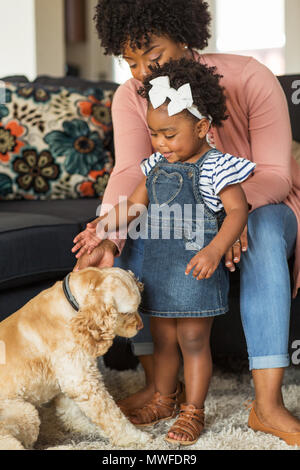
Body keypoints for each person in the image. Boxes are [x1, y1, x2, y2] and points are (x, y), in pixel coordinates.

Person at [73, 0, 300, 446]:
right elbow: (131, 175)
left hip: (261, 201)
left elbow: (276, 174)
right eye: (130, 61)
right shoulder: (131, 95)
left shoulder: (250, 77)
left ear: (184, 36)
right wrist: (108, 233)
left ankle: (267, 405)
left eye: (152, 57)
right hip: (182, 210)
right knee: (140, 227)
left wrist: (220, 218)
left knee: (263, 230)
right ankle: (162, 387)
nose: (140, 72)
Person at [73, 58, 256, 444]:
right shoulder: (156, 164)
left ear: (203, 128)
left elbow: (239, 211)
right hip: (158, 271)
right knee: (163, 340)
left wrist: (216, 249)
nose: (161, 143)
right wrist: (104, 224)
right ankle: (163, 397)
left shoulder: (216, 167)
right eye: (155, 133)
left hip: (195, 269)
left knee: (192, 340)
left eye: (170, 134)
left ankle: (194, 409)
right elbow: (136, 206)